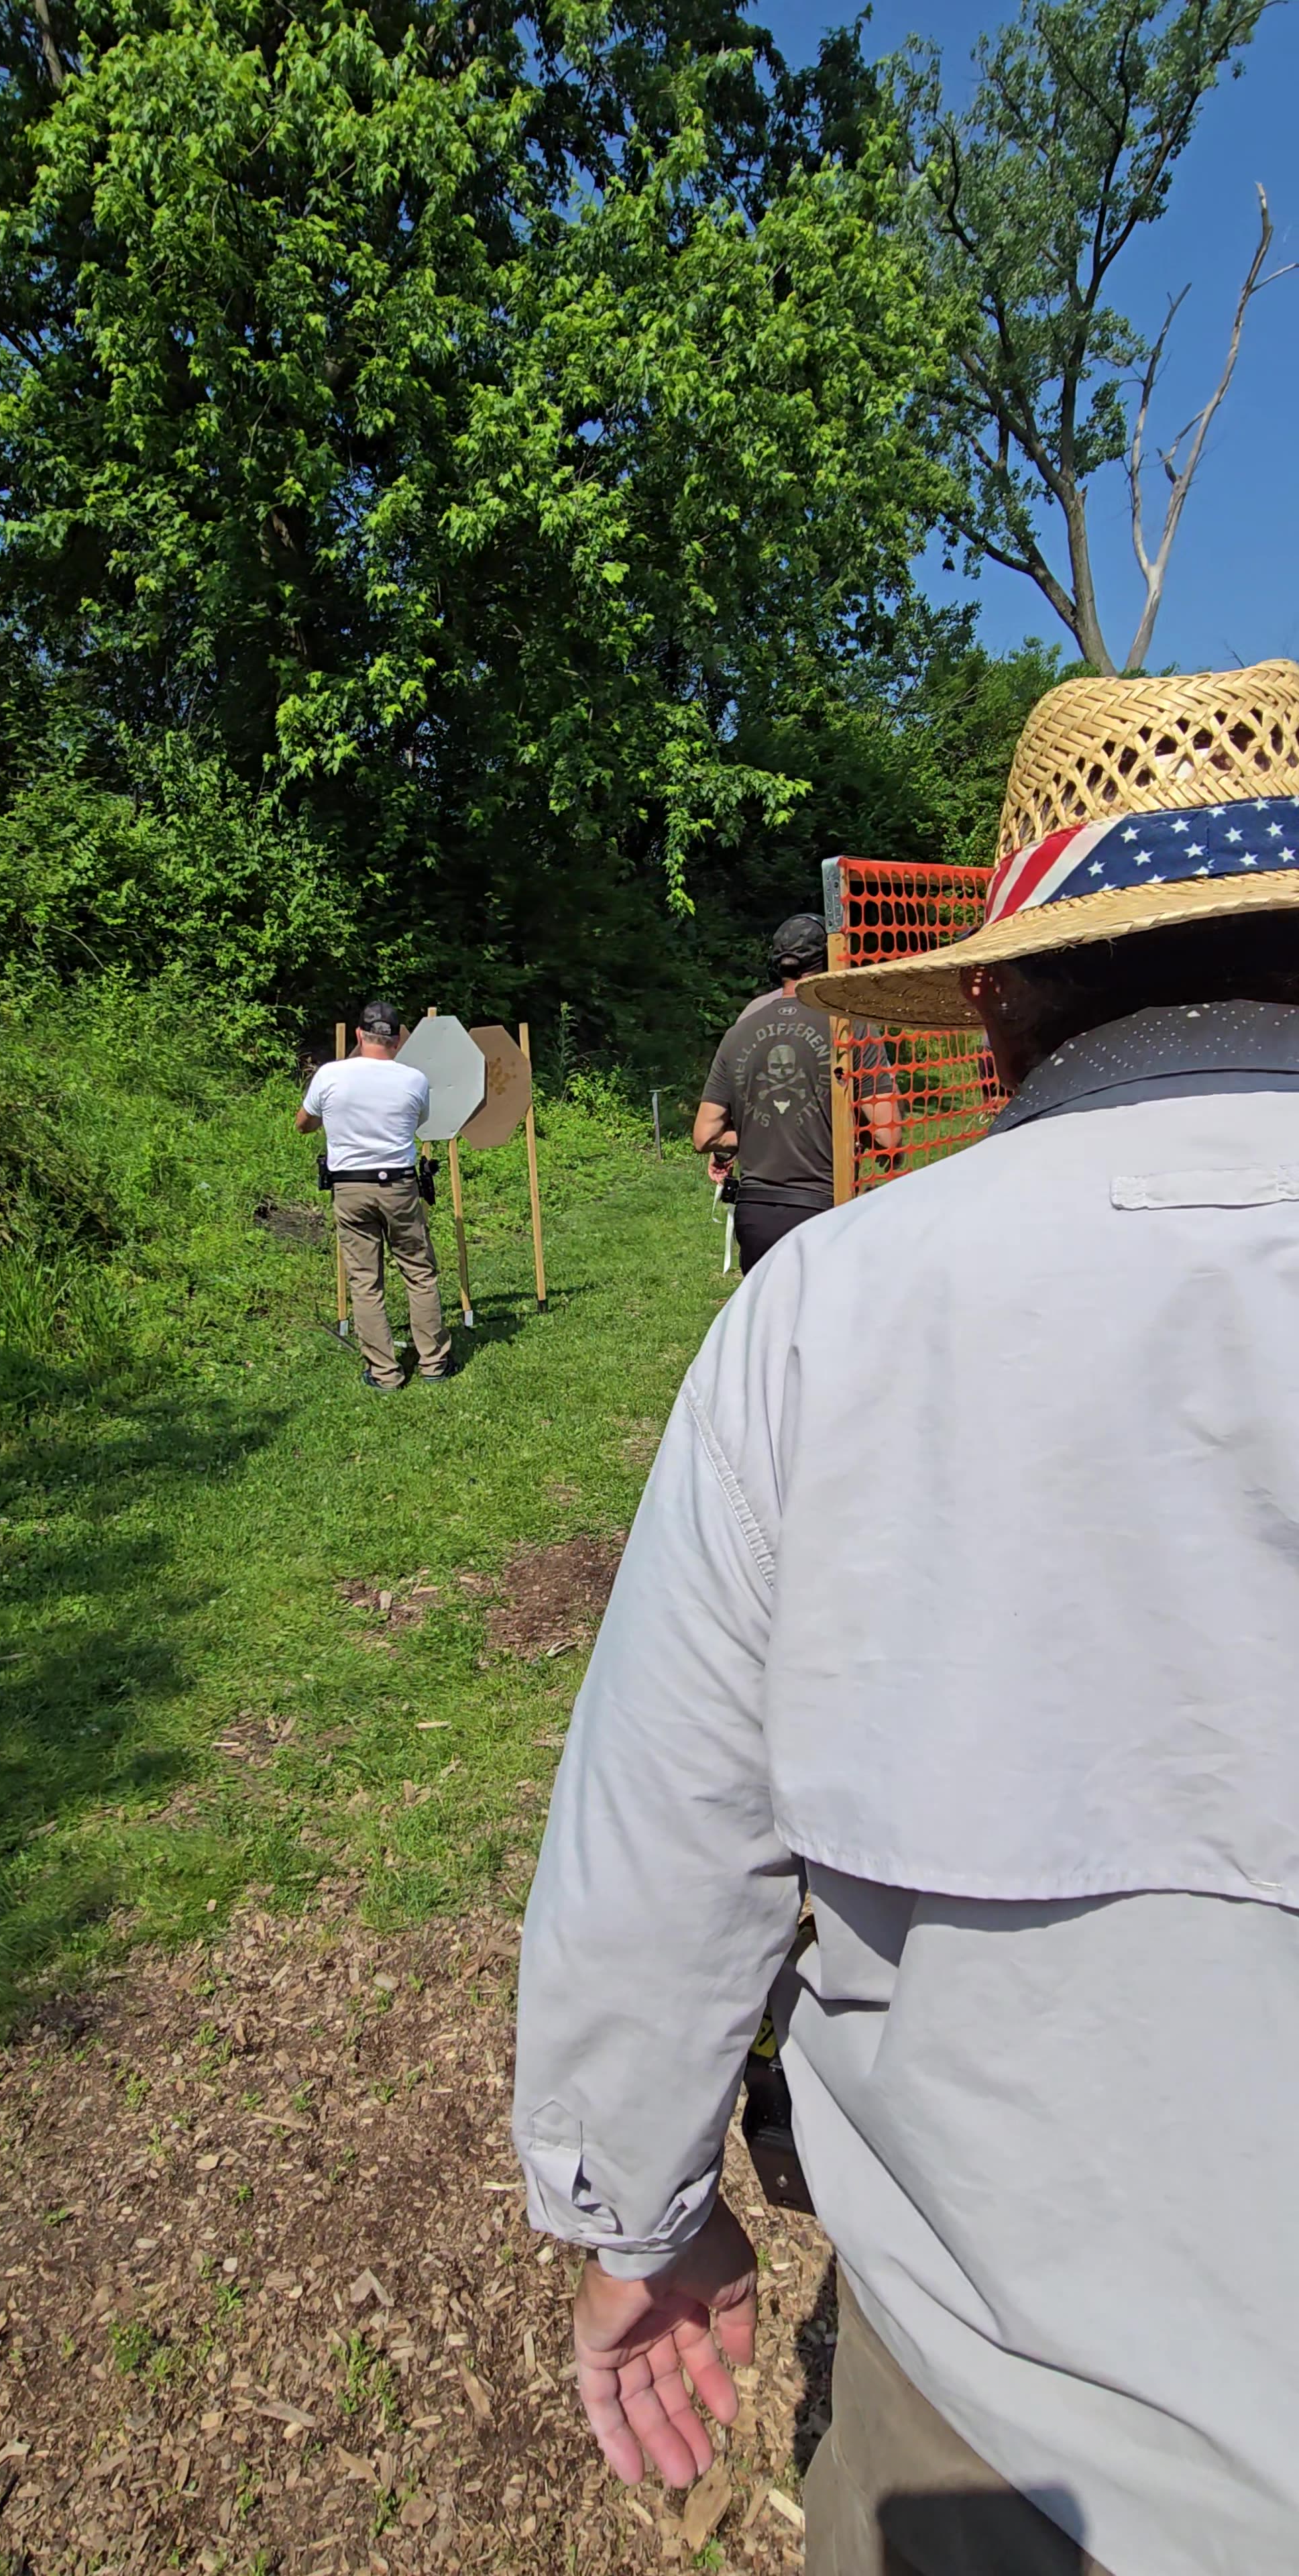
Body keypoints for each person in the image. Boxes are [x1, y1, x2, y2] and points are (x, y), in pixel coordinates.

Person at [512, 657, 1299, 2576]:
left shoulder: (825, 1318)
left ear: (1009, 996)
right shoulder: (835, 1222)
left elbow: (662, 1839)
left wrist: (638, 2214)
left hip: (1012, 2438)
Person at [692, 913, 902, 1271]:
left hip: (756, 1213)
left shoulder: (740, 1030)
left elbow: (705, 1135)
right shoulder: (849, 1026)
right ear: (833, 959)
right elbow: (887, 1133)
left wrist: (764, 1131)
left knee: (771, 1324)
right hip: (825, 1209)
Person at [296, 999, 453, 1389]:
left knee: (366, 1281)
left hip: (350, 1186)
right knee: (418, 1273)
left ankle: (384, 1372)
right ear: (398, 1040)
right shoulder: (414, 1080)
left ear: (358, 1035)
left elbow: (303, 1124)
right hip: (399, 1185)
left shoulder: (330, 1075)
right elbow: (419, 1123)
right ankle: (433, 1363)